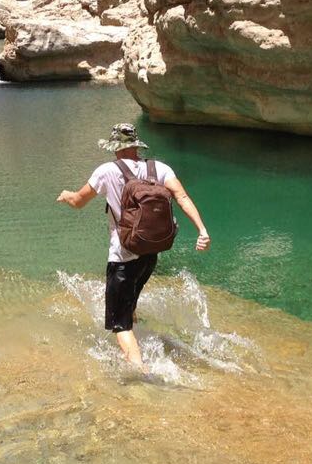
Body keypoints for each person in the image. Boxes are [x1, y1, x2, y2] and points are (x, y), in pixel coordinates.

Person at [56, 122, 210, 368]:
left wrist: (66, 196)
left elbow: (78, 201)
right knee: (131, 302)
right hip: (150, 253)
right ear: (136, 146)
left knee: (120, 325)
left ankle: (141, 372)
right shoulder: (159, 168)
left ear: (115, 147)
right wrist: (202, 231)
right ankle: (138, 337)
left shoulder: (106, 171)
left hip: (123, 256)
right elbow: (181, 197)